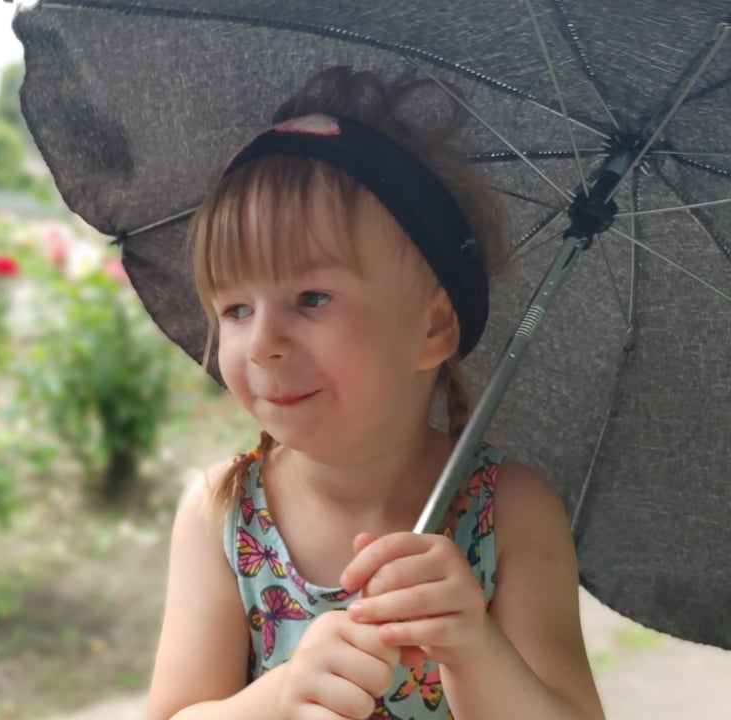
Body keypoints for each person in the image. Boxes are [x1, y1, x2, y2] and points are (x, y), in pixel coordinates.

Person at [145, 66, 605, 720]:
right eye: (236, 309)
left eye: (312, 297)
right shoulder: (224, 513)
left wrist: (475, 649)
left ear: (432, 327)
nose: (264, 342)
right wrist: (280, 697)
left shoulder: (509, 513)